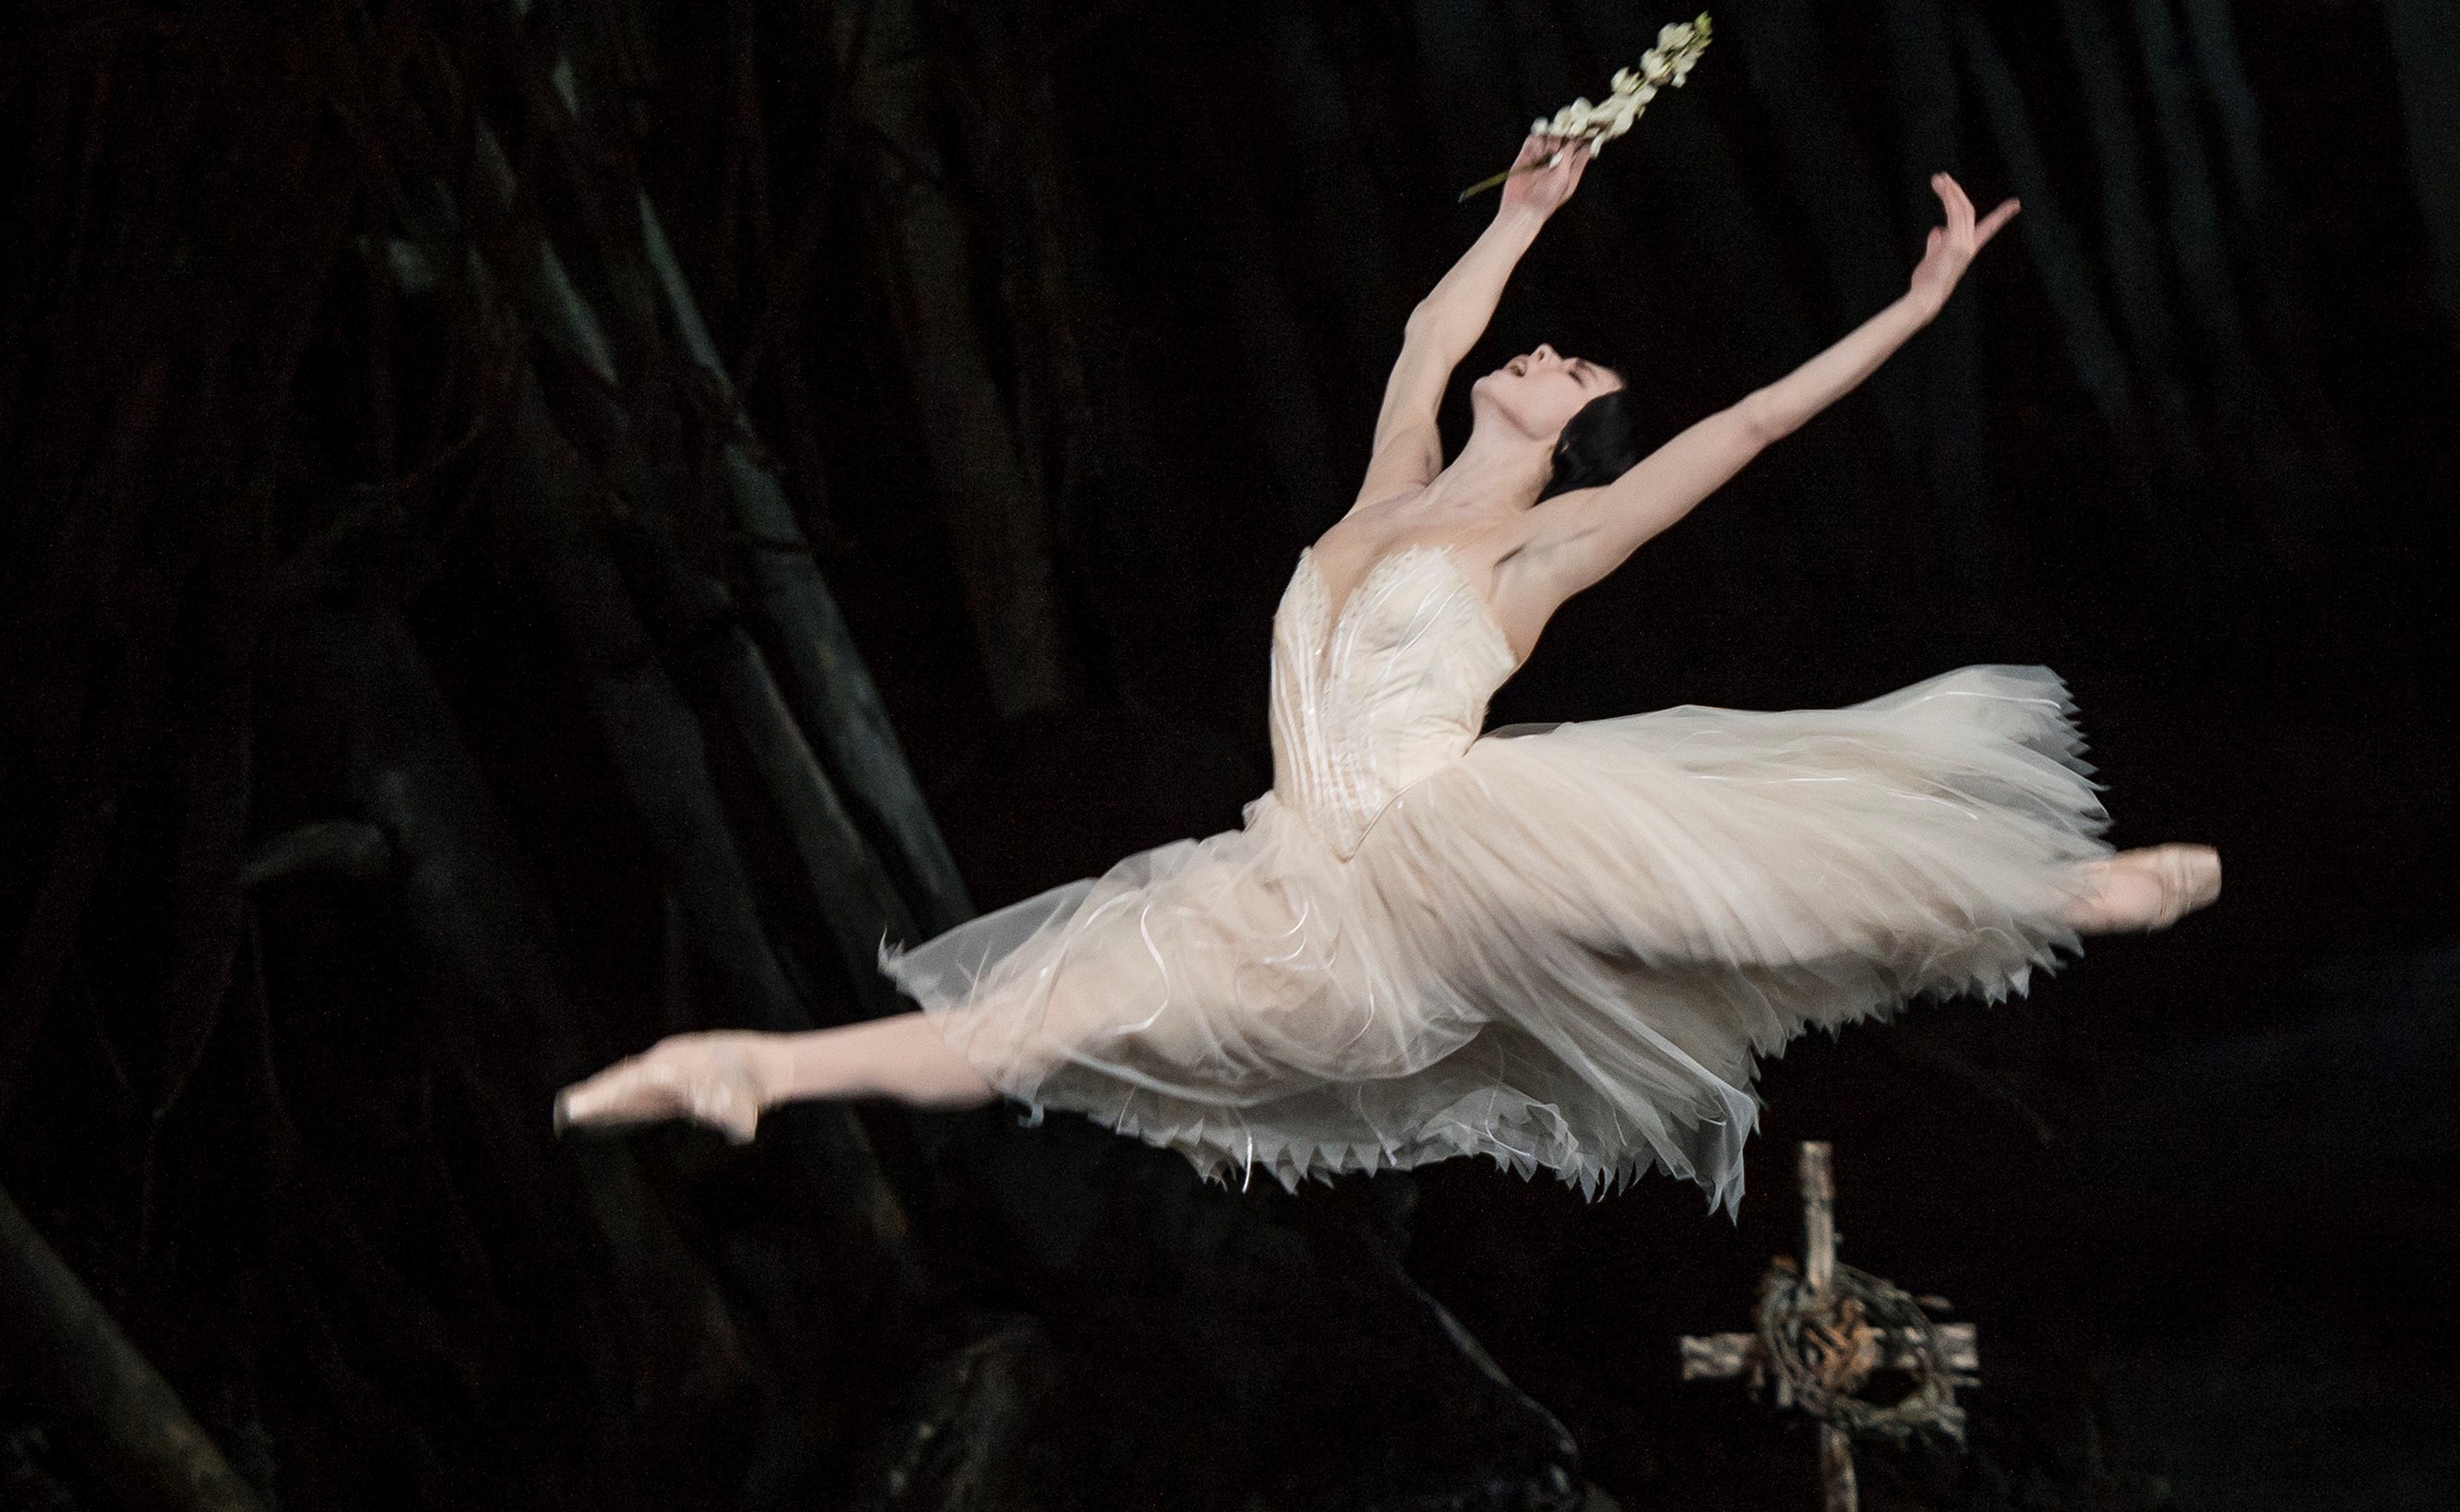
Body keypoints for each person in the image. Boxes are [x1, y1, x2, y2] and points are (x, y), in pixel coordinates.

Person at [553, 132, 2220, 1211]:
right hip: (1284, 896)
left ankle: (2071, 897)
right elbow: (1428, 338)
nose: (1538, 353)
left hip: (1453, 850)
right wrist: (1518, 219)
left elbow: (1747, 426)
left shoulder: (1537, 560)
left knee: (1754, 888)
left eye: (1567, 365)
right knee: (1038, 1021)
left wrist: (1917, 308)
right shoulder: (1386, 501)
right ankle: (765, 1069)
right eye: (1548, 341)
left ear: (1571, 444)